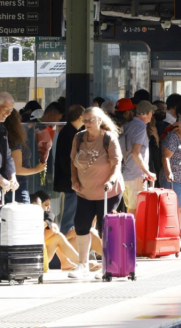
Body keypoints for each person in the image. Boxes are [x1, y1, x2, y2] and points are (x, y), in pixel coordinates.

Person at [69, 107, 123, 280]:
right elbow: (73, 161)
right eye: (84, 120)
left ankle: (108, 265)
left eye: (90, 120)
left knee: (104, 227)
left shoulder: (108, 139)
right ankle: (82, 264)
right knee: (81, 224)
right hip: (85, 191)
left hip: (108, 191)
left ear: (99, 120)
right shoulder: (78, 138)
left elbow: (116, 163)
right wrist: (74, 180)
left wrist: (111, 180)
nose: (87, 124)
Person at [120, 100, 157, 213]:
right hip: (136, 175)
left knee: (130, 209)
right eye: (152, 112)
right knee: (135, 211)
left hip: (126, 173)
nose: (152, 115)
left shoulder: (128, 125)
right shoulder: (140, 128)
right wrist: (148, 172)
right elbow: (135, 152)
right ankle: (130, 232)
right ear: (147, 113)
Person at [31, 191, 82, 271]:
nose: (49, 207)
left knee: (57, 236)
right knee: (54, 229)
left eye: (49, 205)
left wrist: (43, 224)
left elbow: (50, 216)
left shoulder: (46, 215)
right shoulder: (26, 220)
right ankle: (80, 262)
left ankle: (76, 262)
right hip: (32, 260)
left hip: (41, 258)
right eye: (46, 205)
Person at [54, 105, 85, 235]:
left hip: (69, 180)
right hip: (71, 181)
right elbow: (66, 159)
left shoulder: (68, 131)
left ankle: (65, 245)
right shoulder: (71, 133)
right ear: (80, 117)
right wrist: (75, 176)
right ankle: (63, 246)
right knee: (69, 216)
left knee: (70, 215)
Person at [8, 110, 44, 204]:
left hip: (13, 182)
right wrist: (36, 169)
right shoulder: (15, 140)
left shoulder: (10, 138)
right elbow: (17, 169)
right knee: (23, 212)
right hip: (17, 182)